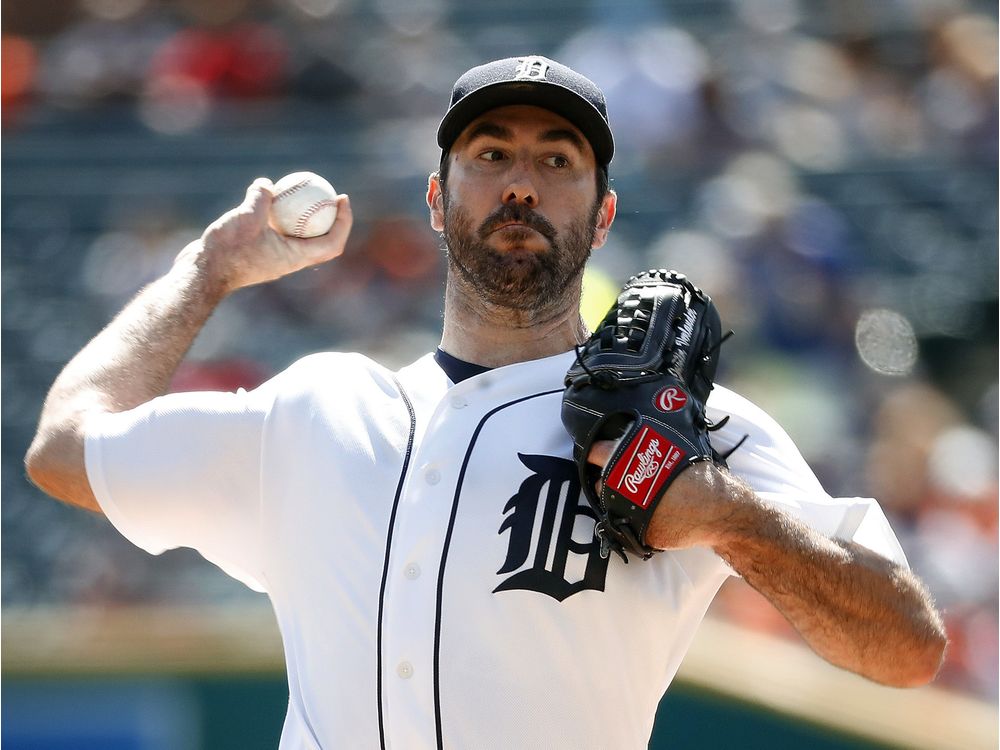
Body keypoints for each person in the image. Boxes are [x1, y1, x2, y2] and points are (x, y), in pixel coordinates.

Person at [26, 55, 946, 749]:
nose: (520, 181)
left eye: (558, 160)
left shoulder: (687, 431)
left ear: (604, 214)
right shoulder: (314, 409)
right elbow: (66, 450)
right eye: (491, 152)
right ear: (437, 197)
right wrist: (208, 270)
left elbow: (906, 648)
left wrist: (730, 518)